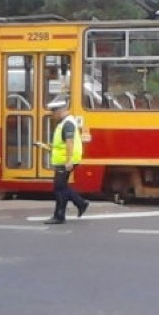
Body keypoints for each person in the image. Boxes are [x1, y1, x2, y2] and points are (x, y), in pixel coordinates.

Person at [43, 96, 89, 225]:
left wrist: (68, 160)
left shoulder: (67, 124)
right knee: (61, 187)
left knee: (59, 188)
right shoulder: (65, 123)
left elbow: (69, 142)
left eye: (53, 111)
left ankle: (74, 207)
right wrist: (50, 147)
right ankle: (71, 209)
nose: (52, 115)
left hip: (66, 161)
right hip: (63, 159)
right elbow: (62, 143)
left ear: (60, 111)